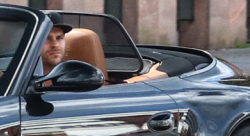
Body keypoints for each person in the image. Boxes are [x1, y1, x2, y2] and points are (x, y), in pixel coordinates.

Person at [40, 11, 168, 84]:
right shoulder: (21, 74)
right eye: (47, 38)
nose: (55, 45)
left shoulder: (77, 75)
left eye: (59, 38)